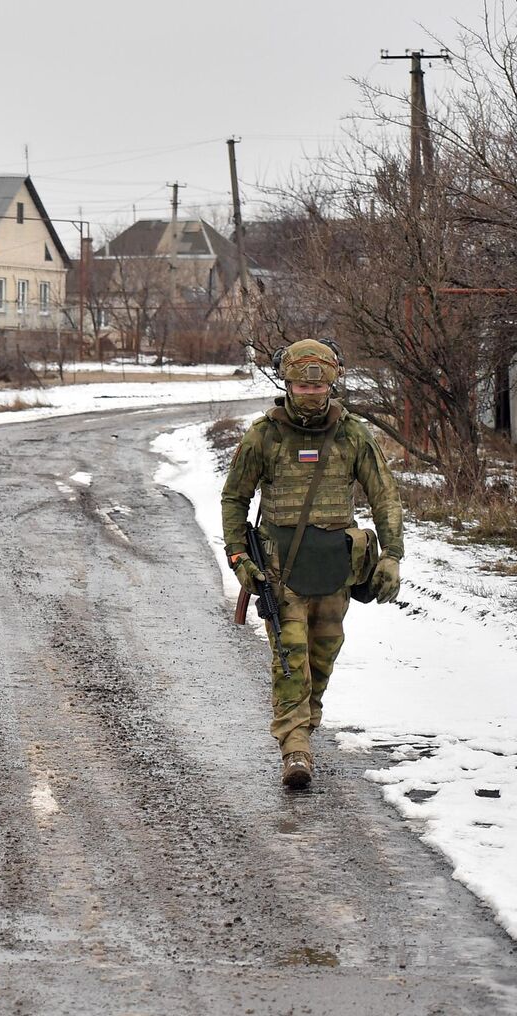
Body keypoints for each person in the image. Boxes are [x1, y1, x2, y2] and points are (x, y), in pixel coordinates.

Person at [220, 338, 404, 790]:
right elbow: (234, 498)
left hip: (335, 570)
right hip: (280, 571)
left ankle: (307, 720)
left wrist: (393, 556)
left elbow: (385, 496)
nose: (309, 394)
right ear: (287, 382)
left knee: (322, 658)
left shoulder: (353, 435)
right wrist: (240, 557)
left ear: (332, 384)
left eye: (317, 387)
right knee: (289, 657)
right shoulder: (264, 435)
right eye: (301, 385)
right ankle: (295, 747)